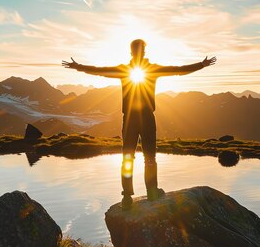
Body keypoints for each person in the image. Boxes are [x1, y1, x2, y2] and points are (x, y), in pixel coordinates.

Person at [62, 39, 216, 209]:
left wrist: (79, 67)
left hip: (129, 118)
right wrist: (201, 64)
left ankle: (127, 197)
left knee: (128, 156)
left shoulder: (124, 70)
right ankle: (151, 191)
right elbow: (178, 71)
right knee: (150, 156)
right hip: (147, 117)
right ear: (143, 52)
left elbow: (100, 71)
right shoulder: (152, 69)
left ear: (131, 52)